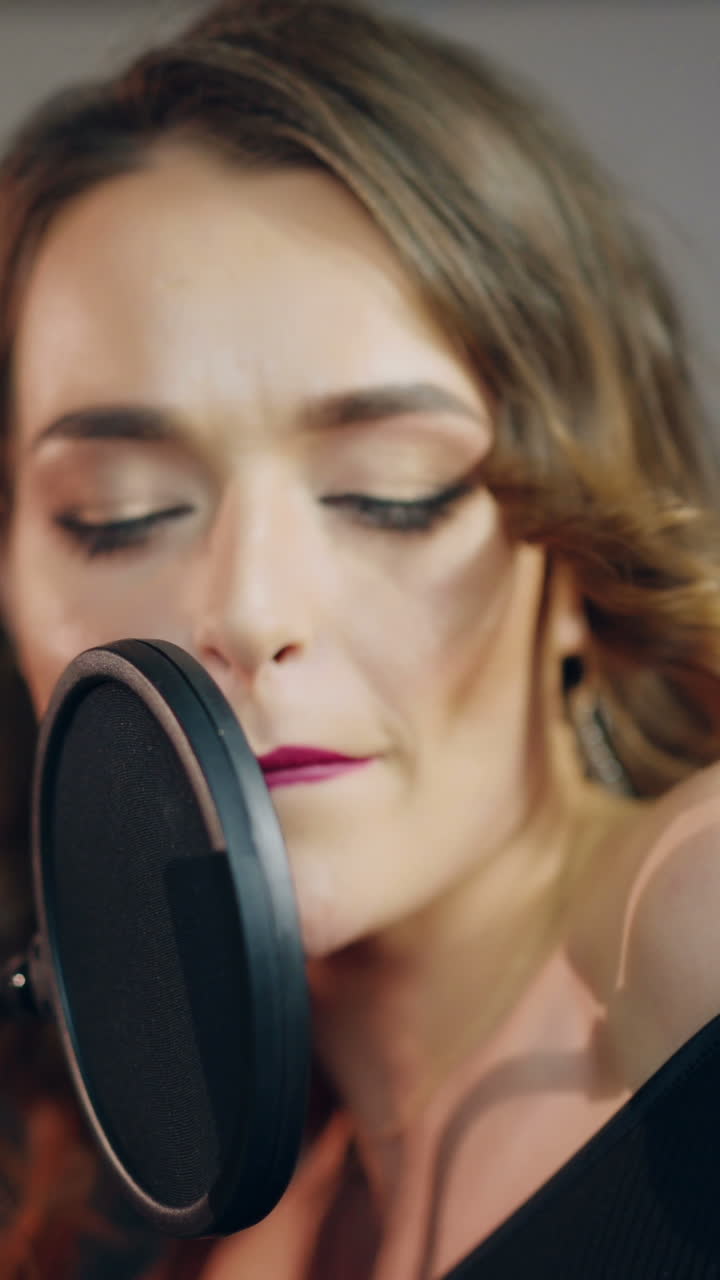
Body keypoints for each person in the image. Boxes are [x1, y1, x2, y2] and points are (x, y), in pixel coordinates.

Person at [0, 0, 719, 1276]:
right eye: (119, 516)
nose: (254, 607)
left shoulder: (689, 924)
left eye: (390, 490)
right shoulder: (142, 1203)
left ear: (573, 555)